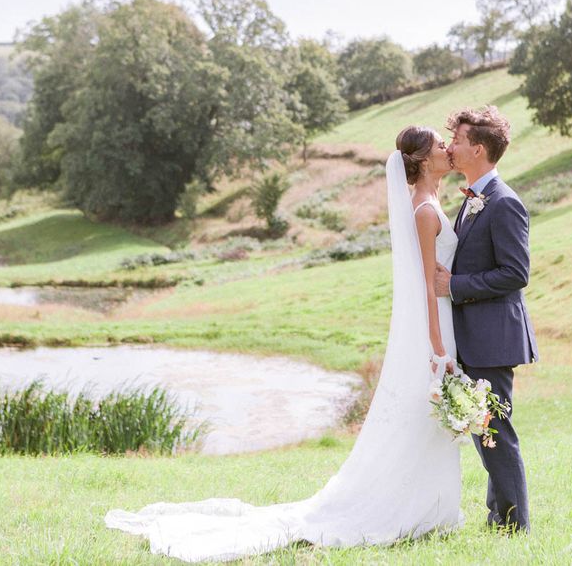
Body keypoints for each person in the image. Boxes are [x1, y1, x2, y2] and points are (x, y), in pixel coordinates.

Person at [104, 126, 464, 563]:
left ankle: (431, 505)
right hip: (433, 326)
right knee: (420, 412)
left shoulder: (435, 201)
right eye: (442, 146)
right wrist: (436, 345)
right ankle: (410, 508)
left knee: (424, 416)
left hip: (441, 319)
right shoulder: (425, 210)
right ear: (425, 160)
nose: (449, 150)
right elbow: (426, 284)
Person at [435, 105, 538, 533]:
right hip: (477, 335)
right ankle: (501, 518)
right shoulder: (475, 200)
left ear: (477, 149)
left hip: (494, 337)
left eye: (457, 141)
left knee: (495, 430)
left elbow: (516, 273)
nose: (450, 147)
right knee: (487, 430)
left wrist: (454, 286)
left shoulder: (504, 203)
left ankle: (516, 527)